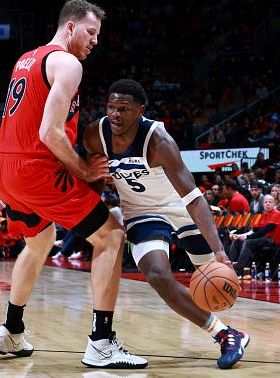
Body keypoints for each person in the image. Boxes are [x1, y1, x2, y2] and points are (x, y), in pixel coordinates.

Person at [0, 0, 147, 369]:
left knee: (40, 240)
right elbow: (49, 132)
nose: (95, 42)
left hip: (3, 166)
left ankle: (11, 331)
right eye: (91, 33)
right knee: (110, 236)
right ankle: (102, 342)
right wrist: (84, 170)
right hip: (34, 168)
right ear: (71, 27)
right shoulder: (68, 62)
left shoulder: (26, 58)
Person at [83, 79, 249, 369]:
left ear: (140, 111)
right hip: (140, 212)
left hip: (180, 206)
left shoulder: (159, 142)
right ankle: (226, 334)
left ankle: (226, 320)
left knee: (212, 280)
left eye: (124, 108)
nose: (116, 114)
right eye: (111, 107)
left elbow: (195, 199)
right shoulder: (95, 136)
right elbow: (94, 180)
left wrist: (219, 250)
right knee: (159, 275)